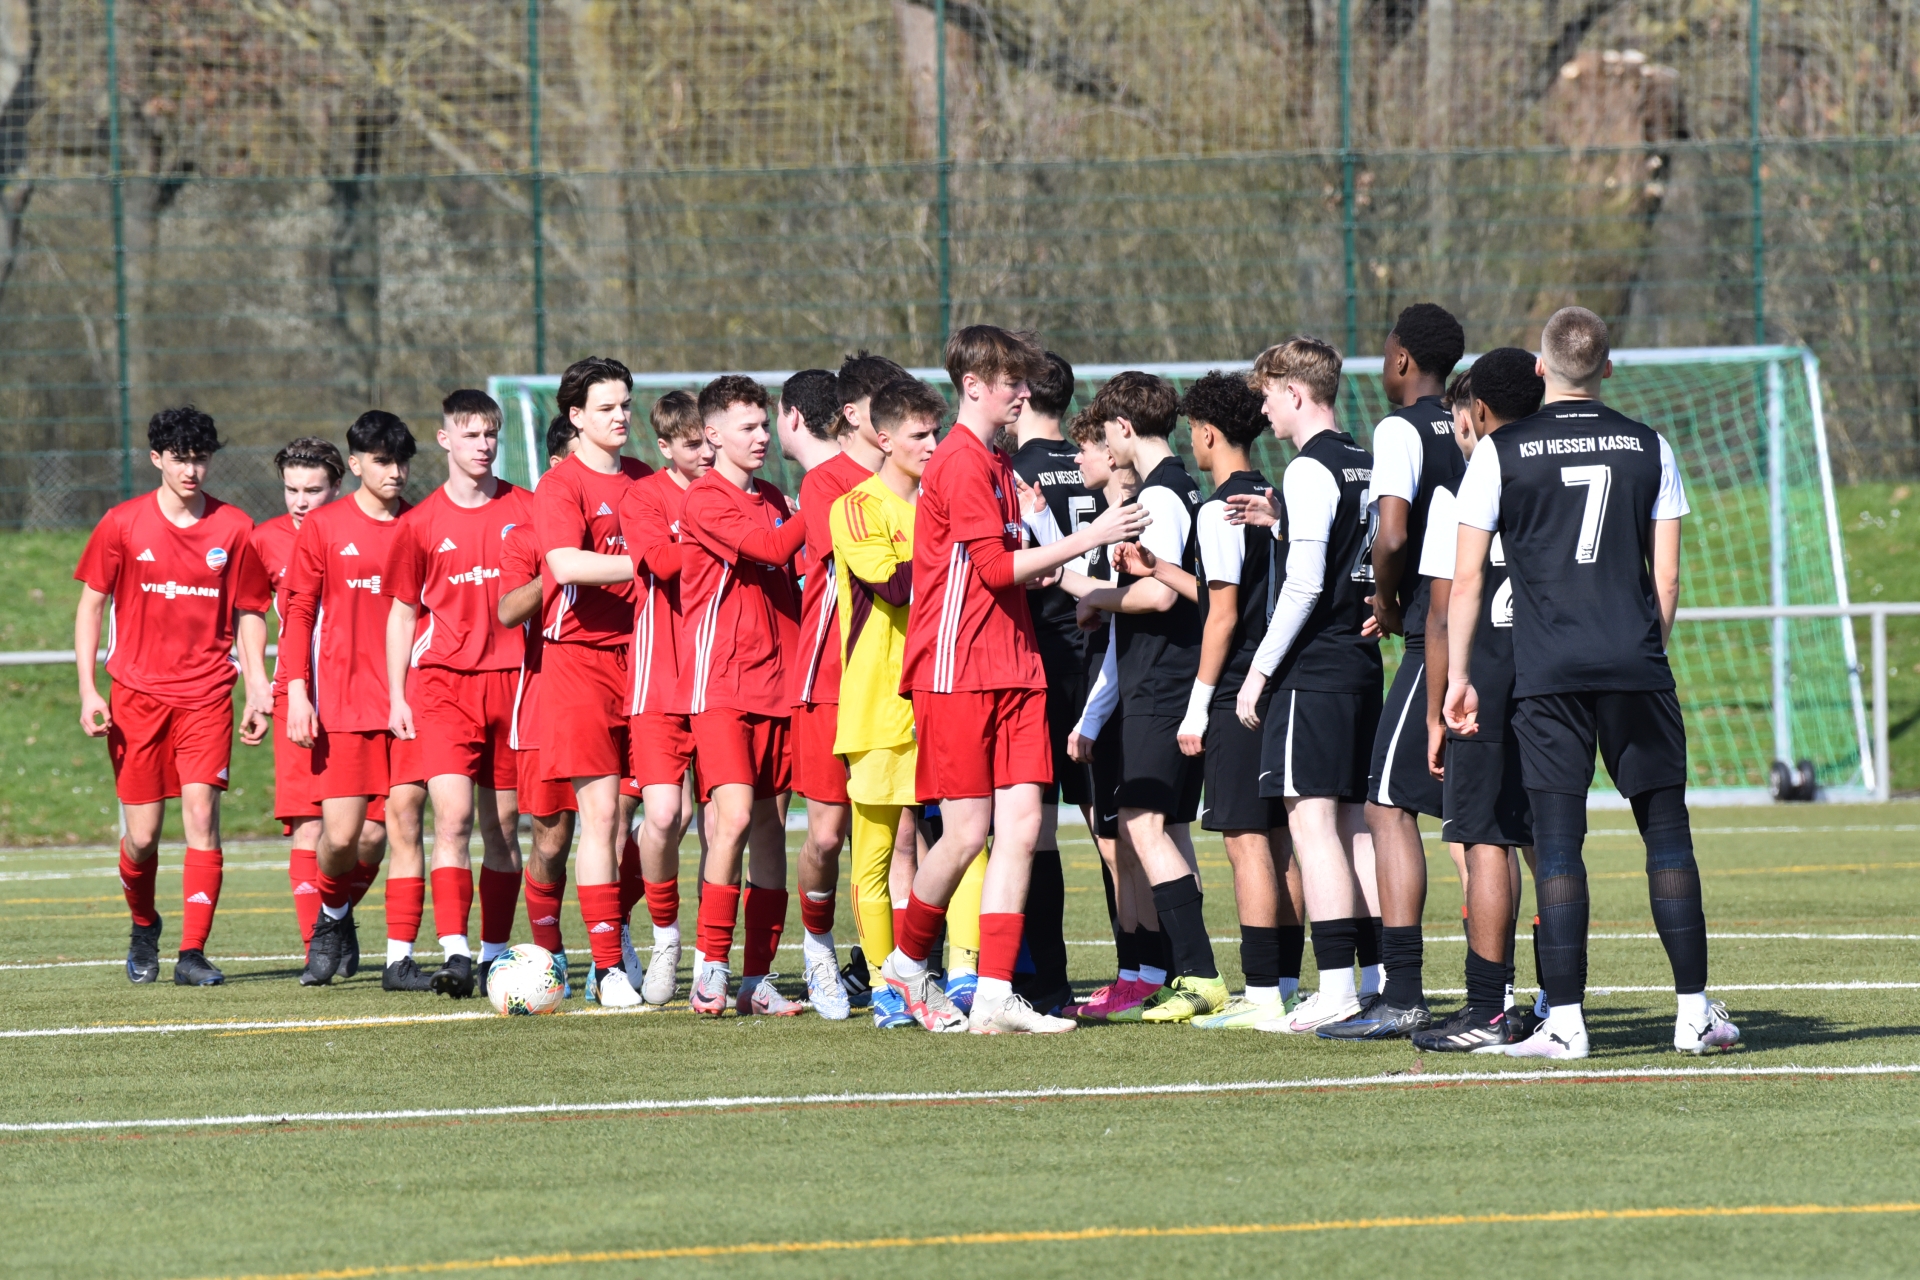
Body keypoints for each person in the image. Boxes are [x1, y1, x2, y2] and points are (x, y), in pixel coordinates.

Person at [1446, 306, 1741, 1059]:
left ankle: (1566, 1023)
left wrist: (1459, 677)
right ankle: (1693, 1015)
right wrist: (1646, 648)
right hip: (1635, 665)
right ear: (1608, 368)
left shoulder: (1500, 450)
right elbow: (1666, 578)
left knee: (1556, 842)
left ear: (1541, 369)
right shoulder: (1650, 444)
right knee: (1666, 834)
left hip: (1547, 675)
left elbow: (1469, 574)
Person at [886, 324, 1148, 1035]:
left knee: (1026, 825)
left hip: (1015, 666)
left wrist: (1065, 554)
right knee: (967, 830)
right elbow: (995, 571)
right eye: (1010, 383)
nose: (1022, 393)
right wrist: (1091, 537)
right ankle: (907, 968)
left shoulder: (1001, 467)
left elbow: (1021, 561)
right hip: (961, 667)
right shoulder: (960, 464)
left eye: (1024, 383)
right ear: (973, 386)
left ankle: (996, 993)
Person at [1122, 371, 1310, 1029]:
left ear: (1205, 432)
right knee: (1281, 840)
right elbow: (1221, 591)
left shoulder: (1216, 507)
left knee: (1246, 842)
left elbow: (1223, 617)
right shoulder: (1274, 496)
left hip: (1237, 689)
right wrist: (1161, 569)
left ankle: (1259, 995)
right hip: (1284, 681)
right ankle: (1285, 984)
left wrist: (1200, 705)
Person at [74, 406, 273, 987]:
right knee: (140, 838)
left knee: (202, 818)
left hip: (207, 696)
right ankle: (144, 925)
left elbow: (251, 611)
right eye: (181, 458)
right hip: (135, 698)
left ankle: (192, 953)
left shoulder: (235, 528)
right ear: (157, 458)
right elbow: (91, 605)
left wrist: (257, 683)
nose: (192, 470)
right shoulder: (122, 524)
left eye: (201, 458)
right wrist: (89, 688)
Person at [1228, 337, 1385, 1036]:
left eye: (1267, 395)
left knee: (1312, 824)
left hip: (1315, 668)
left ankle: (1337, 988)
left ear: (1296, 393)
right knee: (1355, 825)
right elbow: (1368, 546)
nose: (1263, 410)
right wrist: (1283, 522)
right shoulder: (1364, 460)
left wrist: (1258, 671)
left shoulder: (1310, 469)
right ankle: (1383, 978)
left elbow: (1305, 584)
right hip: (1360, 662)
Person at [1328, 302, 1470, 1040]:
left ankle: (1404, 989)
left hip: (1431, 629)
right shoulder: (1476, 423)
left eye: (1385, 354)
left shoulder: (1400, 427)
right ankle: (1519, 993)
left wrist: (1384, 601)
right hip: (1489, 632)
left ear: (1405, 360)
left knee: (1386, 806)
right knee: (1487, 820)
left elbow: (1392, 531)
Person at [1067, 372, 1221, 1024]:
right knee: (1167, 829)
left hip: (1163, 679)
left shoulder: (1163, 494)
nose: (1103, 443)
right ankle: (1188, 973)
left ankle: (1201, 975)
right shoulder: (1174, 486)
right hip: (1160, 677)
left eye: (1105, 433)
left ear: (1125, 430)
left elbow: (1158, 594)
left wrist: (1087, 590)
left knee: (1139, 824)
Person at [1408, 348, 1544, 1052]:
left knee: (1485, 840)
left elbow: (1441, 611)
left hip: (1486, 681)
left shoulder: (1467, 488)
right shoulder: (1561, 474)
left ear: (1477, 418)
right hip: (1559, 677)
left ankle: (1489, 1008)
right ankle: (1559, 1002)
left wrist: (1435, 711)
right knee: (1549, 841)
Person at [385, 390, 539, 998]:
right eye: (469, 434)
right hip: (444, 686)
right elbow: (401, 614)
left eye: (490, 434)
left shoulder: (525, 510)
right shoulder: (419, 524)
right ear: (445, 439)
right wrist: (397, 694)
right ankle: (454, 952)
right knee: (449, 819)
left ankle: (494, 954)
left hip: (513, 684)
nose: (482, 445)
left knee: (502, 828)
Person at [677, 375, 809, 1017]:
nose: (761, 437)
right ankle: (710, 968)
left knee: (769, 828)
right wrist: (833, 496)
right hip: (722, 685)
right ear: (712, 434)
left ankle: (757, 979)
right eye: (748, 427)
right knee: (728, 820)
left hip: (779, 686)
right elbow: (770, 547)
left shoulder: (776, 495)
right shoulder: (704, 499)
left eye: (764, 425)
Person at [529, 358, 652, 1007]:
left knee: (665, 813)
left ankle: (623, 929)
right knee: (599, 816)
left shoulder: (646, 480)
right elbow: (564, 561)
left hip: (647, 660)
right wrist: (643, 561)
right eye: (607, 407)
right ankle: (607, 966)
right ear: (575, 416)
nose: (621, 416)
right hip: (579, 663)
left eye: (626, 404)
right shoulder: (562, 484)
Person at [280, 411, 414, 986]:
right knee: (339, 837)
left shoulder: (421, 524)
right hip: (342, 699)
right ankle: (334, 914)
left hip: (407, 703)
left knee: (381, 834)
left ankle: (362, 938)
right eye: (382, 461)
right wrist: (296, 692)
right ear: (355, 465)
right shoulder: (324, 527)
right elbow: (298, 613)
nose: (395, 472)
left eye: (402, 461)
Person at [830, 377, 947, 1028]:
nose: (932, 445)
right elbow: (894, 584)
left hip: (944, 695)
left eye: (937, 432)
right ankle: (885, 986)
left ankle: (961, 977)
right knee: (877, 853)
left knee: (964, 841)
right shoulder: (856, 506)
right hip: (877, 702)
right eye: (920, 434)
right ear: (884, 439)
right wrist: (959, 538)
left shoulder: (943, 503)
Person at [789, 354, 903, 1018]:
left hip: (895, 683)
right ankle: (819, 951)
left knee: (899, 837)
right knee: (829, 836)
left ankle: (899, 971)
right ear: (855, 415)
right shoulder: (825, 484)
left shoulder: (911, 479)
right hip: (832, 681)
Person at [616, 390, 715, 1004]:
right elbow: (659, 559)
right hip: (661, 678)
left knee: (722, 824)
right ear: (666, 447)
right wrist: (732, 539)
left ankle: (710, 954)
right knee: (664, 816)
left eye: (710, 442)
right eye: (691, 445)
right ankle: (664, 937)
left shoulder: (748, 493)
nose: (705, 454)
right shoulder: (645, 496)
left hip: (726, 678)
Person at [1062, 412, 1160, 1020]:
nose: (1078, 462)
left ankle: (1151, 968)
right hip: (1112, 692)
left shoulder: (1132, 519)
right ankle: (1138, 968)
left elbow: (1124, 619)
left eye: (1085, 451)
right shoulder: (1103, 520)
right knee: (1115, 837)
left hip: (1128, 698)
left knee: (1136, 838)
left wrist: (1091, 718)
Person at [1000, 350, 1089, 1015]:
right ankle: (1150, 967)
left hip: (1041, 658)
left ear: (1022, 395)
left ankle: (1042, 980)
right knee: (1115, 825)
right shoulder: (1095, 465)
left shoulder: (1011, 474)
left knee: (1033, 826)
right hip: (1104, 657)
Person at [251, 438, 356, 957]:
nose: (300, 500)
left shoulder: (361, 528)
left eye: (312, 490)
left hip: (363, 696)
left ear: (337, 486)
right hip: (298, 697)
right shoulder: (265, 539)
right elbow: (250, 611)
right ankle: (317, 943)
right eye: (291, 489)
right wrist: (257, 686)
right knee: (307, 823)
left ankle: (338, 915)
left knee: (372, 832)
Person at [499, 416, 584, 996]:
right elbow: (506, 610)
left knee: (647, 823)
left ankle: (617, 949)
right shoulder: (526, 534)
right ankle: (547, 958)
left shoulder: (623, 518)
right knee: (551, 840)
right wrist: (559, 567)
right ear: (559, 467)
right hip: (548, 703)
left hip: (623, 696)